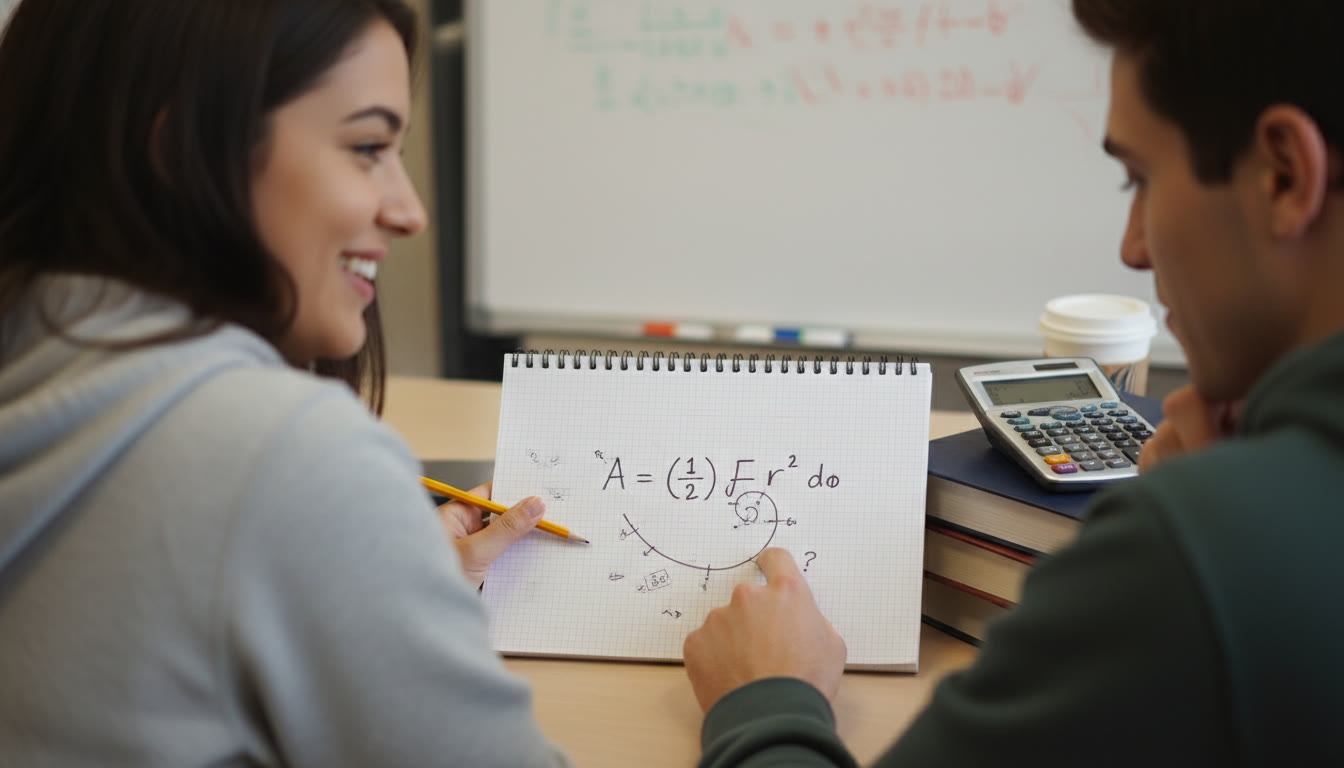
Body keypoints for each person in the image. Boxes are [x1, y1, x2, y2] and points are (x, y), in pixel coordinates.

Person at [683, 0, 1344, 765]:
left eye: (1138, 178)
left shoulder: (1197, 552)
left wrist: (762, 699)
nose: (1132, 248)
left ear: (1284, 174)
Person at [0, 1, 570, 765]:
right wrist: (767, 702)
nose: (410, 211)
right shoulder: (283, 455)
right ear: (181, 153)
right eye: (368, 146)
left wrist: (381, 586)